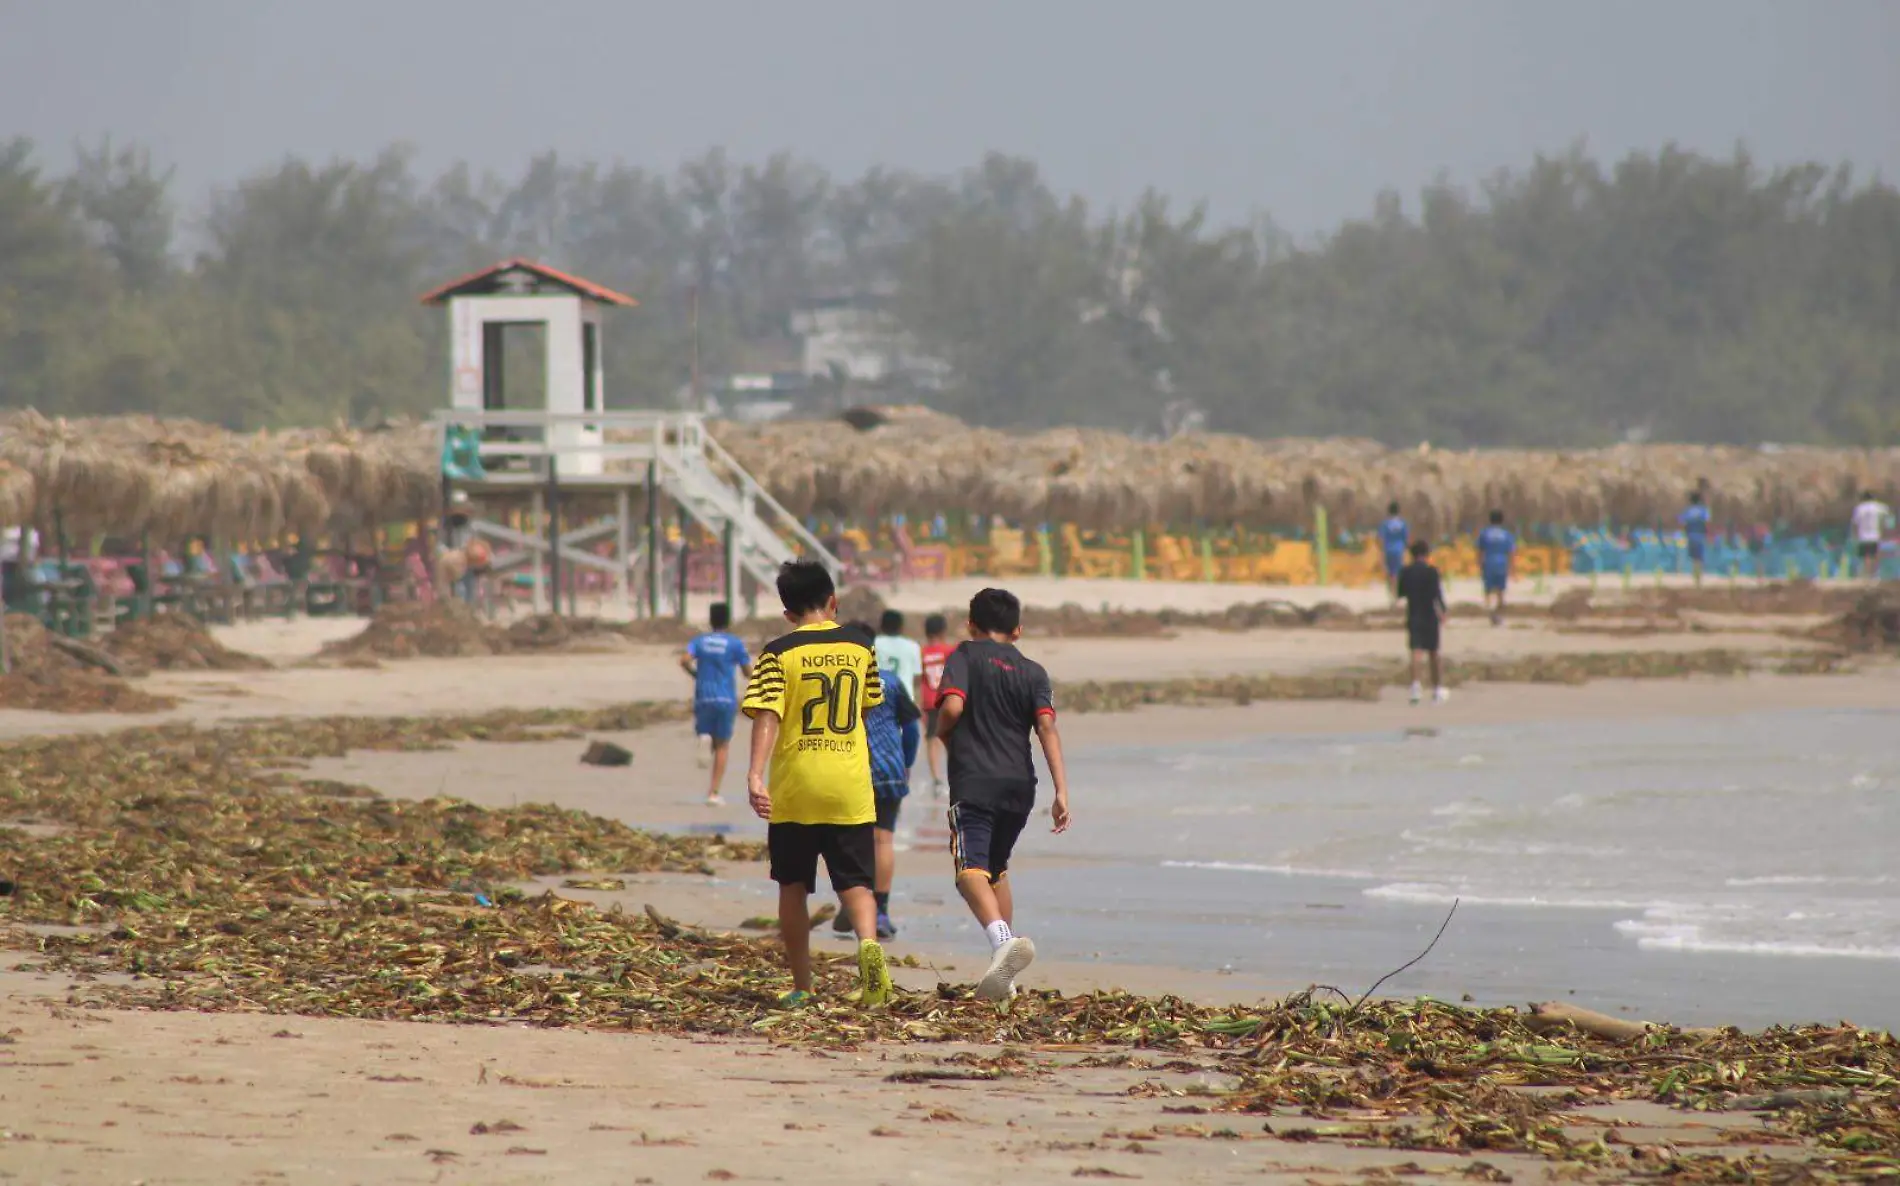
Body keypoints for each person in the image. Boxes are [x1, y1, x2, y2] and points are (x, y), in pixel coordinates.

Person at [740, 561, 893, 1009]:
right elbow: (866, 708)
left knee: (792, 886)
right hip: (849, 784)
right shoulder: (860, 647)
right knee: (858, 885)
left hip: (795, 787)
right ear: (833, 602)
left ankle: (804, 986)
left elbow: (767, 714)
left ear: (788, 613)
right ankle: (869, 952)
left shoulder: (777, 652)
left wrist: (754, 774)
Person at [935, 587, 1072, 1001]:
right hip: (1020, 786)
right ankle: (1004, 977)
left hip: (975, 780)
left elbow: (953, 707)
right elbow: (1047, 728)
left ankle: (1001, 944)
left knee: (969, 871)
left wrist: (942, 732)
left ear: (971, 625)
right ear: (1017, 629)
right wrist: (1062, 790)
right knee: (996, 869)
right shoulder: (1033, 672)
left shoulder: (963, 655)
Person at [833, 623, 917, 940]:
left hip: (850, 769)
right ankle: (879, 911)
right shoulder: (892, 681)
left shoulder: (840, 681)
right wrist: (906, 762)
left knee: (850, 840)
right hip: (889, 770)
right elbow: (911, 730)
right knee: (883, 839)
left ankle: (853, 899)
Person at [680, 602, 752, 806]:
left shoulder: (700, 641)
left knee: (707, 733)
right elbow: (747, 672)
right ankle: (713, 793)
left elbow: (684, 660)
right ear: (728, 621)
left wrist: (696, 675)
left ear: (710, 620)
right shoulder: (734, 644)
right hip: (725, 698)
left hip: (703, 696)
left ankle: (703, 736)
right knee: (722, 745)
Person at [1396, 540, 1448, 705]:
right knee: (1434, 652)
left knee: (1415, 651)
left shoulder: (1405, 571)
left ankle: (1416, 687)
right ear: (1427, 554)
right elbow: (1437, 595)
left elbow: (1400, 593)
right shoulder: (1432, 572)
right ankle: (1437, 689)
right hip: (1429, 615)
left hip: (1414, 614)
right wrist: (1443, 612)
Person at [874, 609, 924, 777]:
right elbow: (917, 677)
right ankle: (902, 784)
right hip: (904, 702)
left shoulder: (874, 642)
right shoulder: (912, 646)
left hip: (878, 699)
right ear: (902, 627)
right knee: (905, 746)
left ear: (881, 625)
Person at [918, 614, 955, 797]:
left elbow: (921, 680)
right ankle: (955, 776)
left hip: (929, 701)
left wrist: (920, 706)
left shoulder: (922, 652)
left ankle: (936, 778)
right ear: (943, 631)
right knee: (952, 738)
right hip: (947, 699)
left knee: (932, 739)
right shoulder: (950, 651)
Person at [1476, 510, 1516, 626]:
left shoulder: (1484, 534)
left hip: (1488, 563)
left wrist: (1479, 564)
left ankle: (1490, 614)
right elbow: (1511, 551)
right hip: (1502, 564)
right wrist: (1512, 568)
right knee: (1500, 592)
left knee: (1488, 591)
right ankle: (1498, 615)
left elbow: (1480, 551)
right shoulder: (1506, 534)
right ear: (1502, 520)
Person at [1850, 491, 1893, 582]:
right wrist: (1888, 527)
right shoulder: (1879, 507)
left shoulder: (1859, 508)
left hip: (1863, 536)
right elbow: (1889, 516)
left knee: (1865, 557)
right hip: (1875, 535)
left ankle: (1864, 576)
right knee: (1875, 556)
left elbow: (1855, 524)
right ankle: (1874, 575)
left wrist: (1854, 536)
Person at [1378, 502, 1409, 602]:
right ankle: (1397, 595)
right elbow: (1406, 538)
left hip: (1388, 550)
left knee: (1389, 573)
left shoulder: (1385, 524)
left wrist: (1381, 552)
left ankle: (1391, 596)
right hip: (1399, 551)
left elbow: (1381, 538)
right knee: (1397, 573)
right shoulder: (1403, 523)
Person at [1678, 492, 1712, 585]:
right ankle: (1698, 577)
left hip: (1691, 536)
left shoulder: (1687, 511)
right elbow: (1707, 523)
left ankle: (1695, 575)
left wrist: (1684, 533)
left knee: (1693, 557)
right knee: (1699, 558)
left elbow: (1682, 522)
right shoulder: (1703, 510)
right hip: (1700, 536)